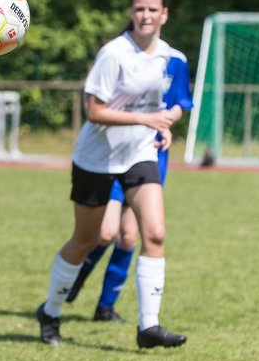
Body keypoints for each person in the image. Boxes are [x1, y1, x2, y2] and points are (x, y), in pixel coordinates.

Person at [34, 0, 188, 349]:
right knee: (87, 239)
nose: (145, 16)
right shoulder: (114, 53)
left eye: (153, 9)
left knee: (154, 234)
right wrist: (147, 120)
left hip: (139, 153)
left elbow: (165, 106)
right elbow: (95, 111)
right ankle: (51, 311)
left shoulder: (169, 56)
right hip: (96, 157)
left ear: (164, 14)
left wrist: (162, 126)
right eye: (139, 9)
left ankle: (148, 327)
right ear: (131, 12)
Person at [64, 43, 193, 322]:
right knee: (105, 232)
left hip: (150, 156)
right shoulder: (121, 55)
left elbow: (180, 103)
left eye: (154, 10)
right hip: (114, 154)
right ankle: (74, 277)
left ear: (164, 15)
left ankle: (105, 307)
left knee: (128, 237)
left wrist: (168, 121)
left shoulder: (176, 60)